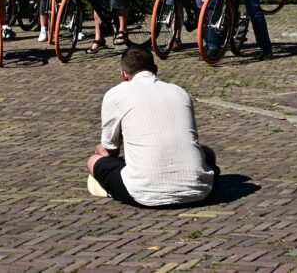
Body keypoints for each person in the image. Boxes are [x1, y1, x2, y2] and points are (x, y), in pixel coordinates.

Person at [86, 46, 218, 207]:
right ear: (155, 69)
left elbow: (111, 151)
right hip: (200, 190)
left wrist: (98, 149)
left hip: (144, 193)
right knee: (207, 152)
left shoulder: (115, 94)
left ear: (123, 74)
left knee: (94, 161)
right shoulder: (180, 92)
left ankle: (118, 185)